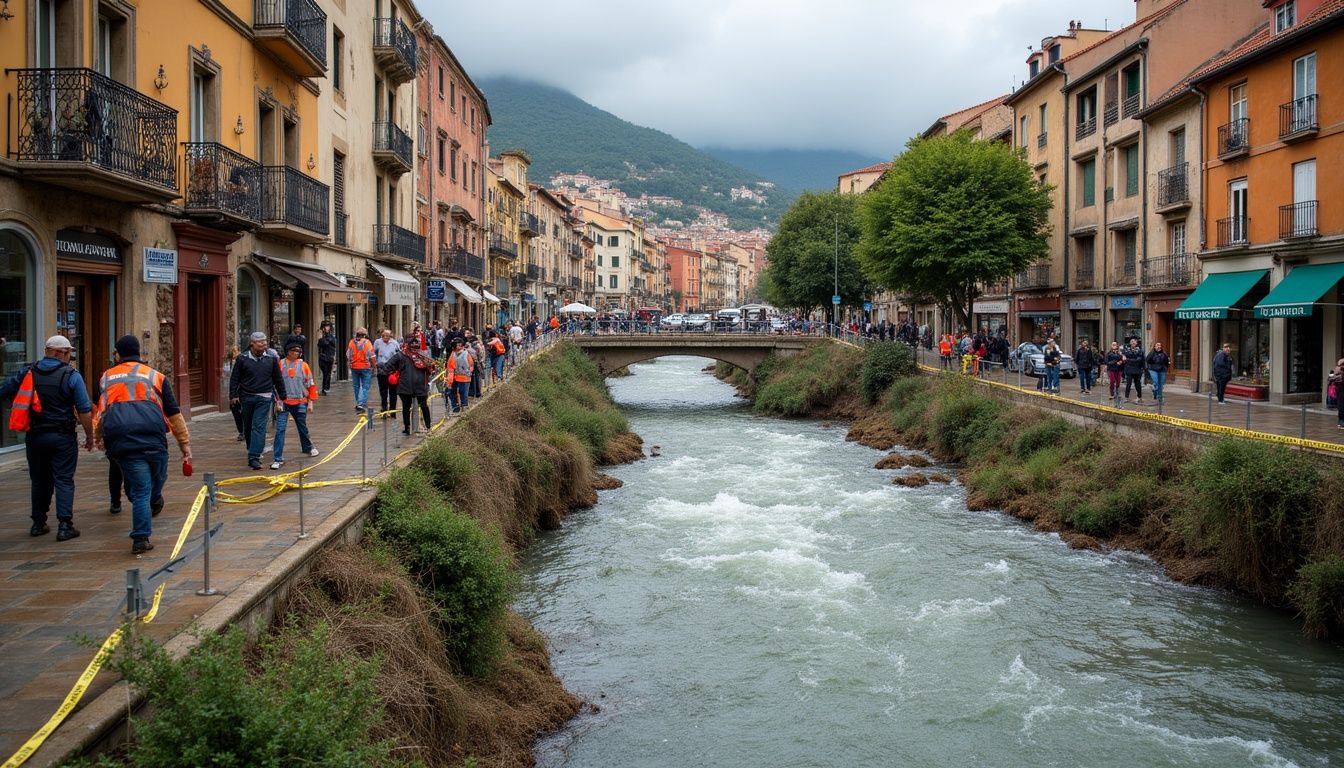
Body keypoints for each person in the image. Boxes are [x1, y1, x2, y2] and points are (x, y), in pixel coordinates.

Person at [95, 335, 191, 554]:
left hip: (122, 441)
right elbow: (174, 413)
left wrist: (97, 437)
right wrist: (184, 444)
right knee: (146, 488)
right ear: (139, 353)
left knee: (141, 490)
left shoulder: (106, 378)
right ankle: (140, 537)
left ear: (117, 353)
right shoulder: (156, 376)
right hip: (153, 440)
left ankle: (151, 501)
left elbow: (101, 411)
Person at [0, 335, 94, 540]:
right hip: (62, 436)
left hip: (35, 436)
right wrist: (90, 435)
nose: (70, 357)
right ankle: (64, 525)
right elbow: (85, 410)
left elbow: (4, 390)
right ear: (60, 352)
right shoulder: (71, 375)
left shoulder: (28, 371)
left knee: (39, 480)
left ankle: (38, 522)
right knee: (63, 479)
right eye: (69, 353)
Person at [230, 331, 285, 470]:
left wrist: (282, 395)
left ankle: (254, 456)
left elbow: (278, 378)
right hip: (246, 396)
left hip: (264, 396)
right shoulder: (242, 359)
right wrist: (233, 396)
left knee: (259, 426)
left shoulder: (271, 359)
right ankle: (252, 448)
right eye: (260, 342)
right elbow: (235, 379)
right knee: (248, 426)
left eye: (265, 341)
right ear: (252, 344)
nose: (263, 344)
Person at [271, 342, 319, 470]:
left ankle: (308, 447)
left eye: (298, 351)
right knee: (280, 430)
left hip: (300, 402)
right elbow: (275, 385)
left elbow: (310, 384)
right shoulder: (280, 364)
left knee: (302, 427)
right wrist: (276, 401)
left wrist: (310, 402)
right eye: (293, 351)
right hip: (283, 402)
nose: (296, 353)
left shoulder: (304, 366)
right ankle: (278, 458)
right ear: (288, 352)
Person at [382, 335, 436, 435]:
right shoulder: (423, 355)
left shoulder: (400, 355)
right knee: (424, 406)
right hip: (421, 385)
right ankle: (429, 427)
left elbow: (387, 367)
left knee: (406, 408)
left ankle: (407, 429)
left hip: (404, 385)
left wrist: (394, 373)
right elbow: (432, 368)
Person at [346, 328, 375, 412]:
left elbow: (348, 355)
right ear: (364, 335)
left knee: (356, 386)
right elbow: (372, 356)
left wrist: (349, 363)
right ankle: (361, 404)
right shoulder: (367, 343)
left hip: (354, 367)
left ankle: (359, 402)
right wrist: (374, 366)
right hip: (365, 367)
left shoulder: (351, 342)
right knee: (365, 386)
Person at [373, 328, 399, 416]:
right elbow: (373, 353)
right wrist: (375, 363)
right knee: (383, 391)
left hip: (392, 370)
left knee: (393, 392)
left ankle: (393, 411)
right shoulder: (377, 342)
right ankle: (384, 409)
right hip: (381, 369)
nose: (385, 337)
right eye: (384, 336)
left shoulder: (395, 343)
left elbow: (398, 355)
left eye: (387, 336)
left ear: (390, 336)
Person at [446, 337, 475, 413]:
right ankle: (455, 407)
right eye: (457, 345)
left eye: (460, 345)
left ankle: (464, 407)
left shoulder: (466, 354)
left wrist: (468, 372)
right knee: (452, 392)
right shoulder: (452, 354)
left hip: (464, 377)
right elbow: (450, 367)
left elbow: (471, 365)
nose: (458, 346)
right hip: (454, 377)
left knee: (463, 392)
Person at [1122, 337, 1146, 403]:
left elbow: (1140, 360)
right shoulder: (1126, 350)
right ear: (1130, 343)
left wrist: (1128, 360)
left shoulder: (1140, 351)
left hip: (1137, 370)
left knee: (1137, 384)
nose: (1133, 342)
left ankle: (1139, 397)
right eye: (1132, 341)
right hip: (1129, 370)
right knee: (1128, 384)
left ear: (1136, 343)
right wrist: (1127, 360)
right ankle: (1126, 397)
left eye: (1134, 341)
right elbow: (1124, 360)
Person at [316, 320, 337, 395]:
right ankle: (325, 388)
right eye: (325, 326)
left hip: (329, 357)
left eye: (327, 326)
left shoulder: (331, 336)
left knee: (327, 373)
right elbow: (321, 343)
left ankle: (326, 389)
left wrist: (324, 339)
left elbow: (328, 342)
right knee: (325, 373)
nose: (326, 328)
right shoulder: (321, 335)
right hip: (323, 357)